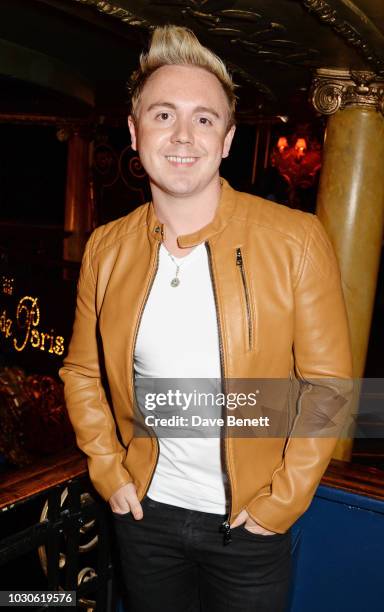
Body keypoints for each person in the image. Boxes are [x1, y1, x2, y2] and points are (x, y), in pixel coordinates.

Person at [59, 25, 352, 612]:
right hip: (145, 514)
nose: (184, 135)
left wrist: (281, 503)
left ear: (228, 139)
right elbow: (82, 374)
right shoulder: (107, 247)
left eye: (204, 118)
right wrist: (108, 471)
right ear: (135, 131)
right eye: (163, 115)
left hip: (250, 522)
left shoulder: (295, 239)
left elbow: (329, 387)